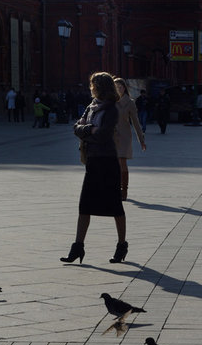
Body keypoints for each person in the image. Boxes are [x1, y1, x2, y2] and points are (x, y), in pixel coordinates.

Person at [61, 72, 127, 265]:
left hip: (107, 161)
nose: (91, 88)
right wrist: (90, 130)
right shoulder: (91, 107)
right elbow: (76, 128)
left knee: (115, 206)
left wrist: (86, 130)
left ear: (99, 87)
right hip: (92, 161)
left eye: (93, 85)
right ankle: (77, 247)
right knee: (84, 206)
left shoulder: (111, 109)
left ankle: (121, 245)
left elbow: (104, 135)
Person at [114, 77, 147, 201]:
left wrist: (141, 140)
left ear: (125, 88)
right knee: (114, 165)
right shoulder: (110, 101)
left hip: (124, 137)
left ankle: (124, 190)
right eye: (116, 87)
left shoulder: (130, 102)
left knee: (122, 162)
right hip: (112, 137)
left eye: (120, 87)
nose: (119, 89)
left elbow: (136, 123)